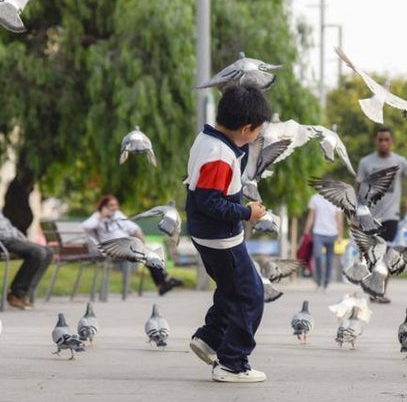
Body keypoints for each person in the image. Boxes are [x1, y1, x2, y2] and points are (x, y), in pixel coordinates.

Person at [185, 85, 270, 383]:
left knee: (232, 289)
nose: (259, 135)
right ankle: (232, 363)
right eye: (258, 130)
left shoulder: (209, 140)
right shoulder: (219, 155)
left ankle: (209, 339)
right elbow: (210, 202)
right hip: (221, 239)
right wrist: (248, 213)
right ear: (246, 128)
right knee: (251, 295)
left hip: (207, 235)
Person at [0, 154, 53, 310]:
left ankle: (22, 294)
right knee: (38, 252)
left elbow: (1, 220)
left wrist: (17, 234)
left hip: (1, 237)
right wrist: (14, 237)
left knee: (47, 251)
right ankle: (16, 294)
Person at [356, 126, 407, 304]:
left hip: (392, 214)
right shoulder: (366, 162)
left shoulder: (400, 161)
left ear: (392, 142)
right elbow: (358, 186)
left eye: (387, 140)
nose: (383, 143)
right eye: (380, 139)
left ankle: (380, 291)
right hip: (370, 216)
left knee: (388, 253)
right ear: (375, 141)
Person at [81, 194, 183, 296]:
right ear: (104, 206)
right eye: (111, 205)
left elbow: (134, 228)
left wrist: (143, 242)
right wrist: (101, 217)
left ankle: (163, 283)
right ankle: (165, 280)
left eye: (116, 205)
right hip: (112, 248)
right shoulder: (97, 216)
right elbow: (86, 227)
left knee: (150, 253)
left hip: (127, 245)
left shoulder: (118, 215)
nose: (114, 208)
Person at [303, 190, 343, 291]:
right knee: (317, 256)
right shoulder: (315, 198)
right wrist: (306, 232)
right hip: (318, 232)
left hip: (332, 233)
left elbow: (339, 218)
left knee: (330, 259)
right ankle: (319, 281)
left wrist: (340, 235)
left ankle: (326, 283)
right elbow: (311, 217)